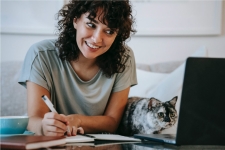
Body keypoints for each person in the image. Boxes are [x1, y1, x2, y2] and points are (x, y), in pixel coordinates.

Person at [18, 0, 136, 136]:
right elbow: (34, 120)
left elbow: (112, 122)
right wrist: (44, 127)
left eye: (109, 31)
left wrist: (78, 120)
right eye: (91, 25)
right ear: (75, 20)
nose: (97, 39)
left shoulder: (124, 58)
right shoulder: (40, 54)